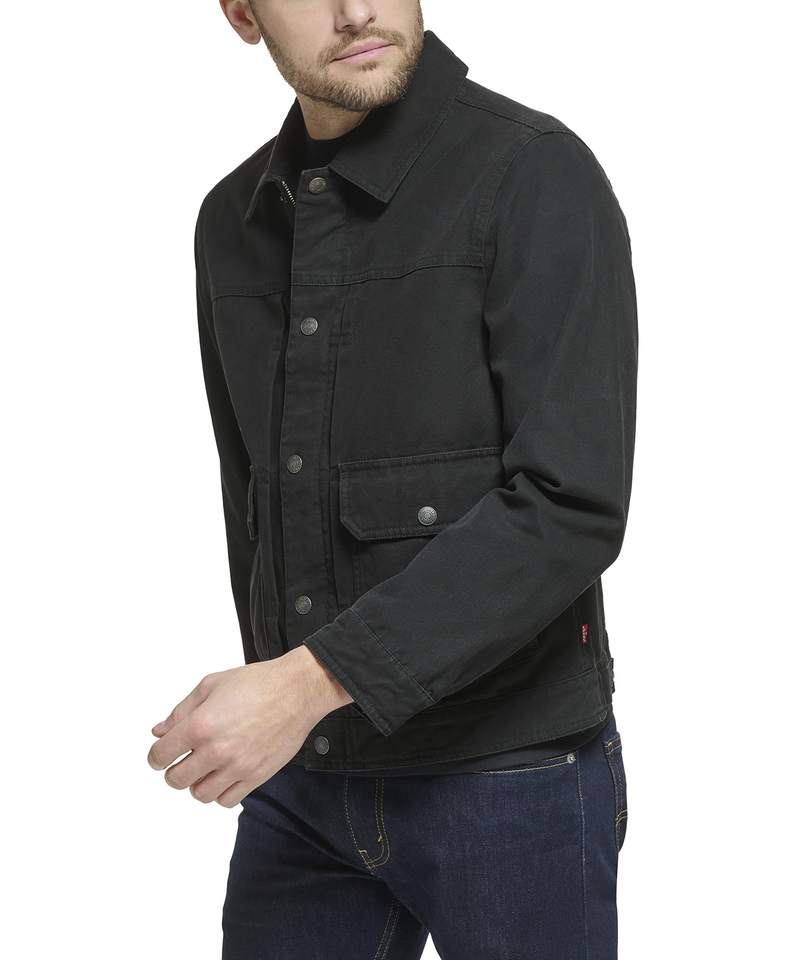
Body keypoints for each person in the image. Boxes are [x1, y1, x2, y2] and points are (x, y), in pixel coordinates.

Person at [148, 4, 637, 957]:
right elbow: (253, 499)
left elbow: (570, 504)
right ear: (242, 13)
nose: (357, 10)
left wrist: (303, 686)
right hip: (304, 785)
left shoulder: (533, 173)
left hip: (510, 777)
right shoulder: (232, 220)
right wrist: (278, 703)